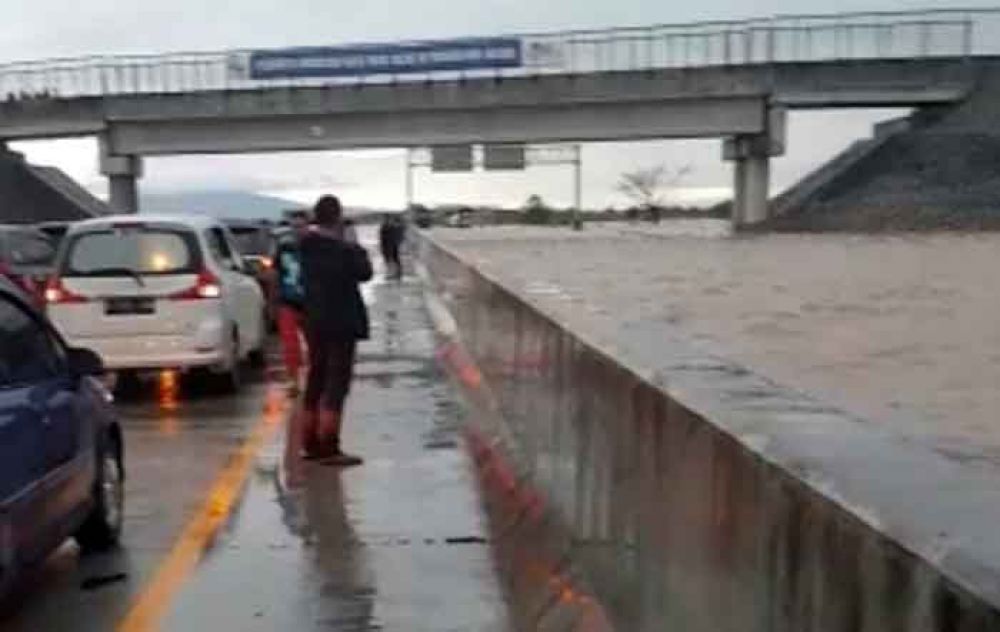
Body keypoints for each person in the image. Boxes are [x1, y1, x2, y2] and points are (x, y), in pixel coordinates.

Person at [300, 195, 373, 465]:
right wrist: (353, 245)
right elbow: (364, 273)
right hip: (341, 321)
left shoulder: (304, 246)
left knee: (315, 379)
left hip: (314, 320)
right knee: (336, 383)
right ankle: (329, 445)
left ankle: (309, 443)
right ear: (337, 217)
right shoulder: (343, 250)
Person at [273, 210, 311, 394]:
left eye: (301, 226)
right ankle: (293, 381)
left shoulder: (316, 246)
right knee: (290, 345)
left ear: (308, 226)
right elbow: (275, 273)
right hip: (287, 301)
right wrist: (273, 301)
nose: (297, 230)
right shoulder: (283, 248)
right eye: (294, 227)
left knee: (315, 344)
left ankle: (315, 379)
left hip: (311, 302)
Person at [378, 214, 403, 279]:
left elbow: (384, 238)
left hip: (389, 247)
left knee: (390, 260)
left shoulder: (387, 227)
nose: (384, 220)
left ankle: (393, 274)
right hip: (391, 246)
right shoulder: (390, 227)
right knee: (393, 260)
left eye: (385, 219)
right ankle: (397, 273)